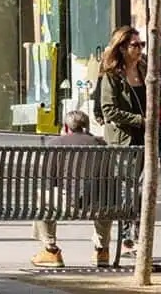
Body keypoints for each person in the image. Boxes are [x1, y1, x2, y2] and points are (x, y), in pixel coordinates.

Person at [31, 110, 113, 268]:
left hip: (67, 202)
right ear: (86, 126)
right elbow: (108, 176)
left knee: (42, 198)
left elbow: (49, 180)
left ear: (66, 127)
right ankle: (102, 250)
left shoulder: (55, 144)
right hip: (97, 203)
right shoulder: (101, 144)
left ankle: (51, 250)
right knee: (103, 196)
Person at [97, 26, 147, 147]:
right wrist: (139, 120)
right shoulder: (112, 75)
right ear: (122, 49)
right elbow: (109, 111)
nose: (140, 48)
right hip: (123, 141)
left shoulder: (145, 70)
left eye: (142, 44)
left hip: (147, 137)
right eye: (135, 45)